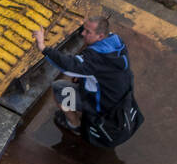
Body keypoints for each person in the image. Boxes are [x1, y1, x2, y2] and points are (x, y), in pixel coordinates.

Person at [34, 16, 140, 144]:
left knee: (60, 88)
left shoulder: (95, 59)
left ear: (100, 36)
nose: (82, 34)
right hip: (118, 99)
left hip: (104, 106)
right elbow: (97, 70)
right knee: (79, 78)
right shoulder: (116, 42)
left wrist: (43, 47)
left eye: (88, 32)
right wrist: (82, 76)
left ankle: (74, 124)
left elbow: (68, 66)